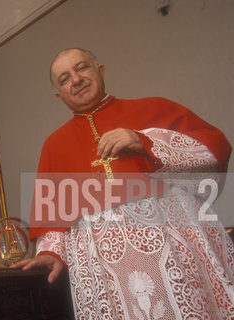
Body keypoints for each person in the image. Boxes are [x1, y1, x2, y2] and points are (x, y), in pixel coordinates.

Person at [12, 48, 234, 319]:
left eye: (81, 68)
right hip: (105, 270)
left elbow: (213, 150)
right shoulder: (54, 144)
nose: (76, 79)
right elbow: (53, 216)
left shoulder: (154, 107)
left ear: (100, 70)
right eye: (64, 78)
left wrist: (145, 141)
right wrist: (52, 253)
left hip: (175, 253)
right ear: (59, 95)